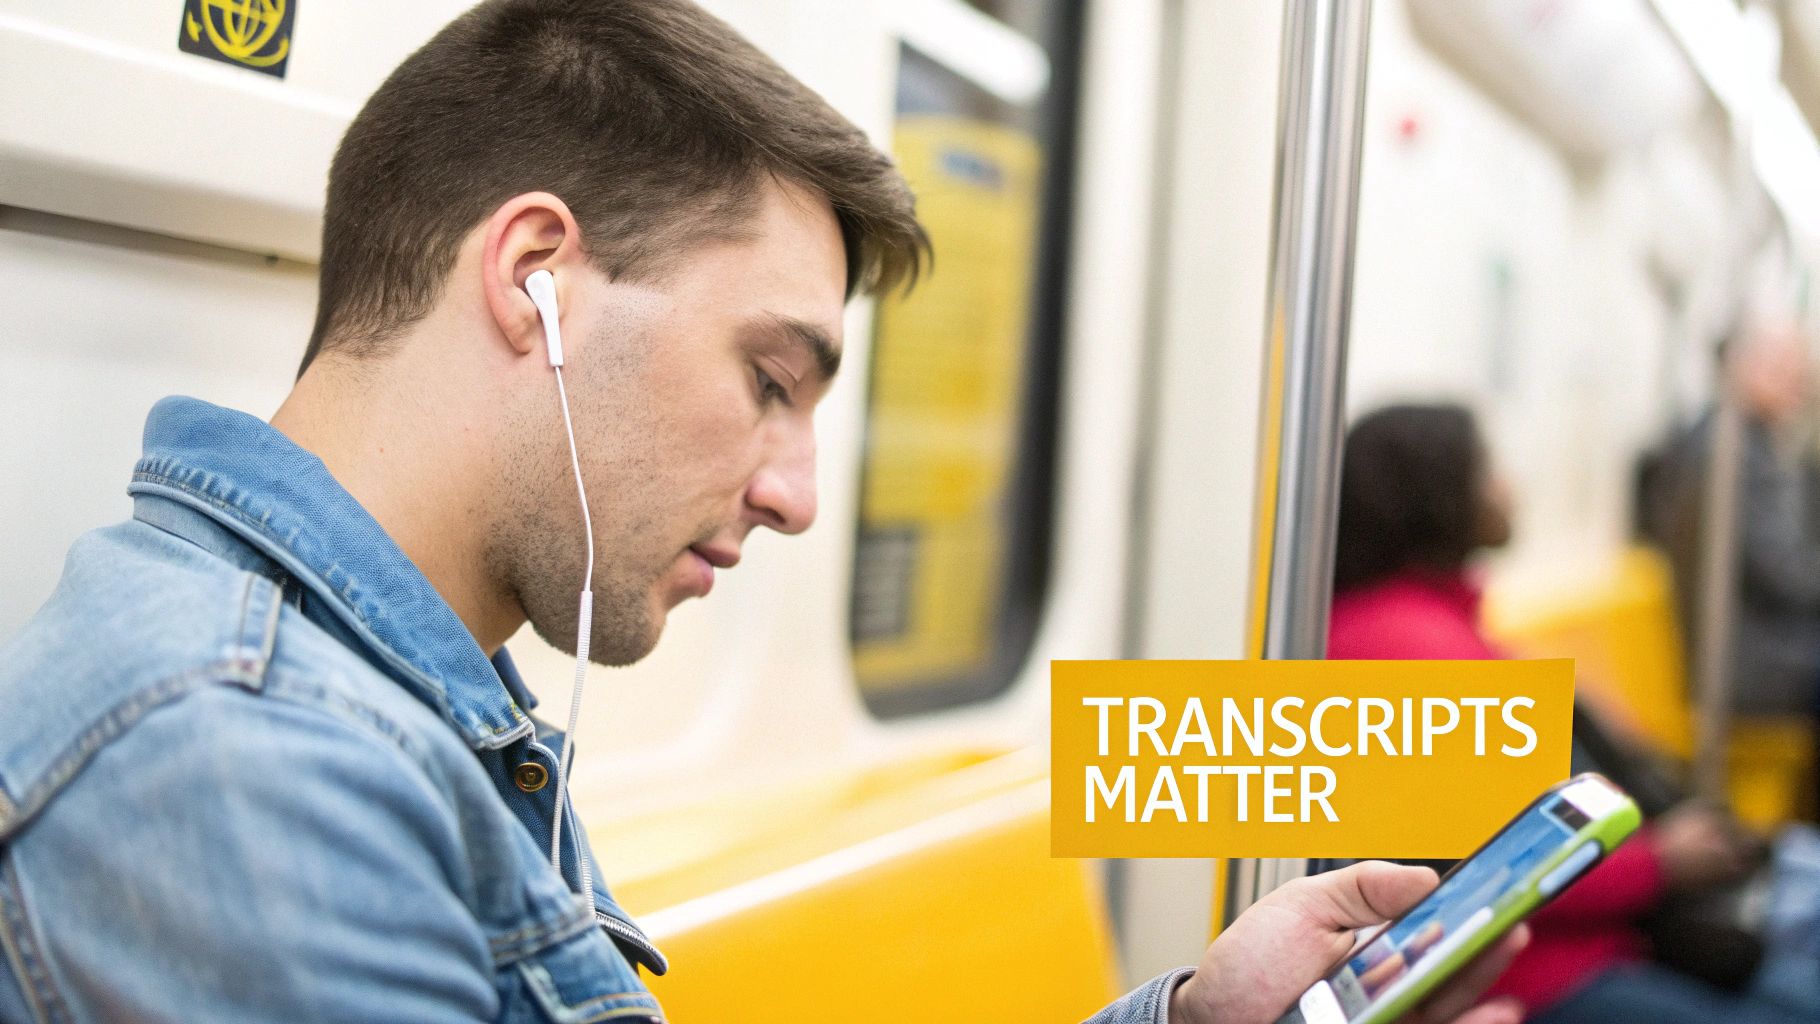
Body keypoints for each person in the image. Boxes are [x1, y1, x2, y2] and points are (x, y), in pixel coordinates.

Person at [0, 3, 1524, 1022]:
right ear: (536, 278)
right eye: (767, 377)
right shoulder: (243, 762)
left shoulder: (401, 709)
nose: (795, 496)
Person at [1328, 402, 1815, 1024]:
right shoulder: (1412, 646)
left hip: (1575, 943)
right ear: (1437, 496)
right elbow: (1495, 863)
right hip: (1535, 973)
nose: (1506, 487)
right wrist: (1662, 862)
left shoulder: (1427, 624)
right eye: (1486, 470)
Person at [1640, 319, 1820, 717]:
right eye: (1781, 366)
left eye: (1801, 368)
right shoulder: (1730, 454)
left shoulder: (1736, 441)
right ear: (1739, 366)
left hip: (1750, 641)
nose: (1800, 381)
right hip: (1742, 657)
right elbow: (1784, 575)